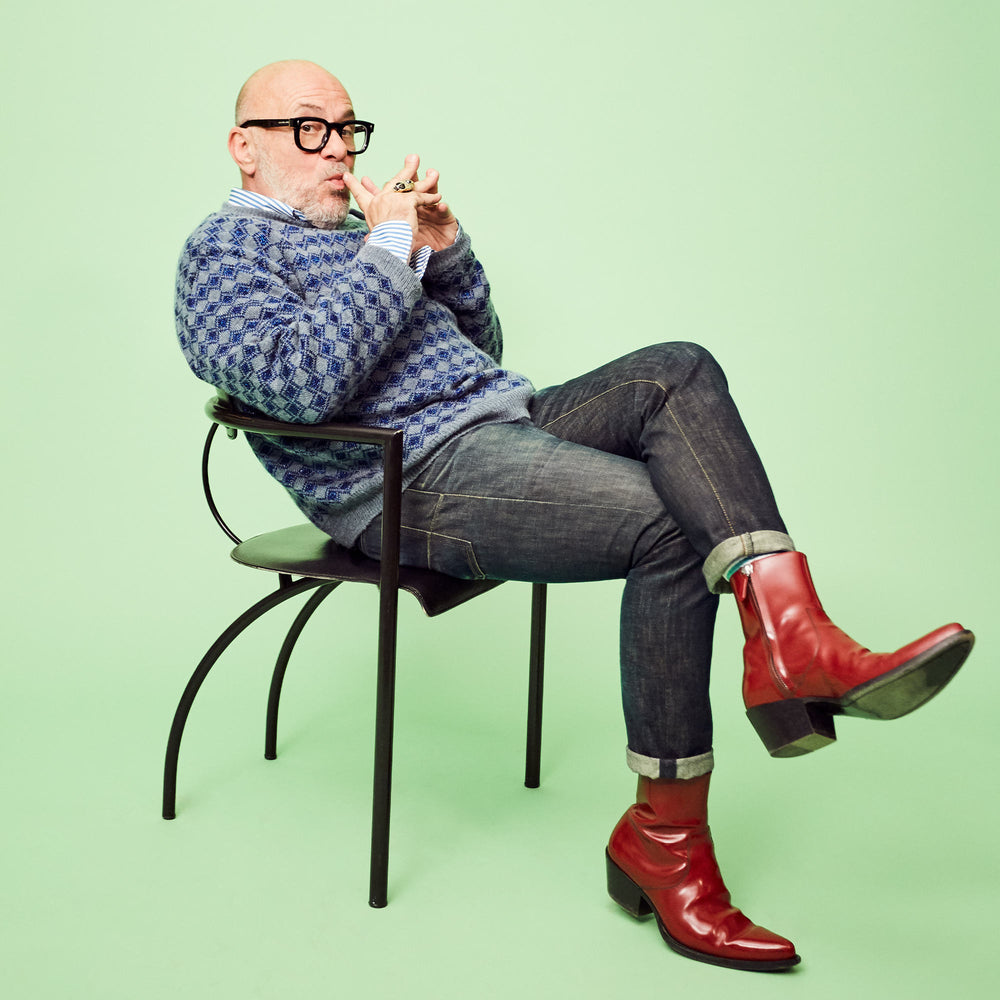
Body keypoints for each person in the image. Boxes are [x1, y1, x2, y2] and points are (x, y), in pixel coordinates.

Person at [175, 59, 974, 972]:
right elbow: (298, 384)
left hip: (500, 423)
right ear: (246, 148)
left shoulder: (370, 232)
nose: (338, 152)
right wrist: (388, 253)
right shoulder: (221, 256)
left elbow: (475, 356)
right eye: (310, 129)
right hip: (408, 482)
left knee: (680, 365)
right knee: (677, 523)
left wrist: (445, 246)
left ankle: (790, 640)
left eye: (348, 128)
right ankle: (668, 845)